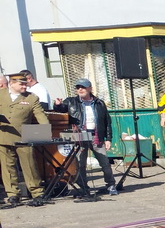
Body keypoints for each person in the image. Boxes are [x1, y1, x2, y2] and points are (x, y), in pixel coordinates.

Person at [60, 79, 119, 200]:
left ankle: (111, 185)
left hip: (96, 135)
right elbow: (60, 109)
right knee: (80, 164)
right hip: (79, 136)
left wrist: (108, 138)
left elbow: (107, 122)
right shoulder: (71, 101)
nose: (80, 89)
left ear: (90, 88)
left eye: (83, 87)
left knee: (105, 163)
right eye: (78, 87)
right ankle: (84, 188)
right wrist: (57, 105)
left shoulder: (99, 103)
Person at [0, 72, 52, 207]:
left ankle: (37, 192)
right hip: (4, 135)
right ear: (12, 84)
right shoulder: (1, 94)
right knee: (7, 167)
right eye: (21, 84)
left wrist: (46, 130)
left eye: (25, 84)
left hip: (24, 137)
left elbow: (40, 116)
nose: (25, 86)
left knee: (29, 165)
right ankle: (12, 194)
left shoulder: (31, 98)